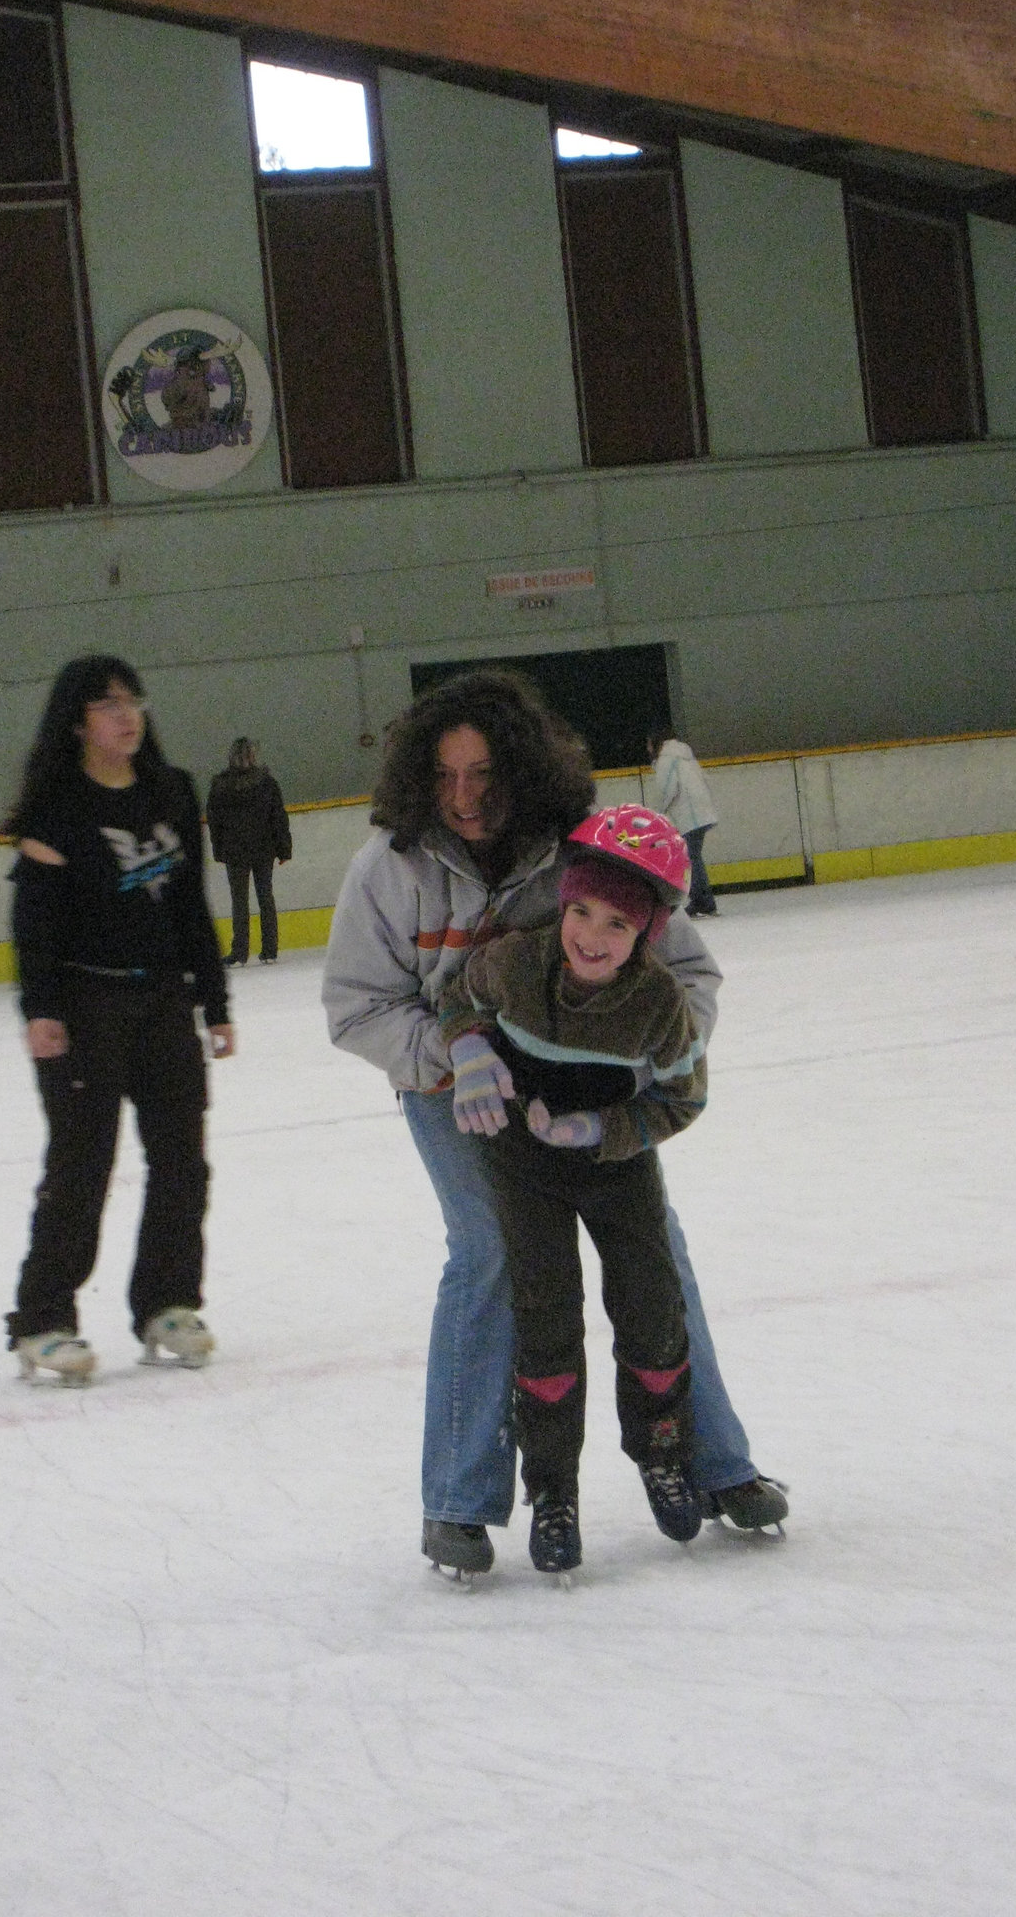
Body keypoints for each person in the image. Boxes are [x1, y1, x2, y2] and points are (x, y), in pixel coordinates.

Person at [323, 669, 786, 1579]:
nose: (464, 797)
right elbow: (355, 1008)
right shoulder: (390, 866)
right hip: (452, 1087)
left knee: (657, 1248)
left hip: (588, 1089)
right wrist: (454, 1055)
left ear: (523, 770)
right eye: (446, 775)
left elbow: (688, 982)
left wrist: (650, 1058)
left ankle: (716, 1463)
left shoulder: (584, 852)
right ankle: (459, 1498)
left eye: (485, 774)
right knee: (490, 1248)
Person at [436, 805, 707, 1575]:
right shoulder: (517, 963)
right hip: (525, 1169)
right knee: (546, 1320)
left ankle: (663, 1453)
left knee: (652, 1309)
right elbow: (461, 993)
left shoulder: (659, 1006)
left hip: (618, 1172)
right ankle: (553, 1492)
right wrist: (469, 1051)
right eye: (581, 910)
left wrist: (599, 1132)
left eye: (618, 925)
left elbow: (683, 1099)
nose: (592, 934)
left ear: (647, 935)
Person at [3, 655, 235, 1385]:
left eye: (131, 700)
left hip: (164, 1000)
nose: (125, 714)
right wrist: (39, 1009)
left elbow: (190, 903)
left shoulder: (171, 792)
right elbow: (32, 921)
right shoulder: (55, 809)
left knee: (181, 1160)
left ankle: (167, 1302)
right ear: (77, 721)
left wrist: (215, 1000)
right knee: (81, 1166)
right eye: (107, 705)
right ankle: (43, 1319)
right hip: (82, 1006)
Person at [206, 738, 293, 966]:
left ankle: (241, 952)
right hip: (259, 850)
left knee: (242, 900)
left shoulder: (222, 785)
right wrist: (284, 849)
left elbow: (215, 822)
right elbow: (278, 818)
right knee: (263, 897)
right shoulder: (265, 783)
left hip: (238, 852)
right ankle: (269, 949)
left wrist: (219, 851)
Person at [647, 731, 719, 917]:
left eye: (648, 744)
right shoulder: (684, 756)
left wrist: (656, 813)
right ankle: (703, 900)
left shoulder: (667, 759)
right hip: (701, 812)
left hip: (691, 816)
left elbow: (666, 789)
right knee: (692, 857)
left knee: (690, 858)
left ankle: (702, 901)